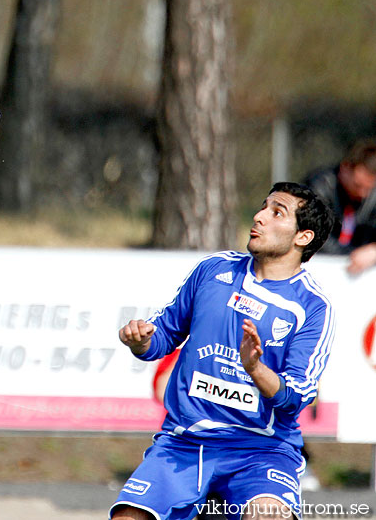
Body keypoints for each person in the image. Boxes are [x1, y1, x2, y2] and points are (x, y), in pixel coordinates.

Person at [112, 182, 335, 520]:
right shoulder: (214, 269)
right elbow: (163, 336)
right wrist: (141, 341)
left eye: (277, 213)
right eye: (263, 206)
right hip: (184, 442)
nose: (259, 216)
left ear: (302, 237)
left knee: (268, 516)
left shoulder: (313, 306)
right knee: (130, 517)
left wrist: (255, 368)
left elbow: (297, 397)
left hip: (261, 450)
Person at [304, 139, 376, 275]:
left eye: (369, 188)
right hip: (320, 266)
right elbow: (314, 235)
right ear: (345, 168)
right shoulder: (320, 186)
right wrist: (351, 255)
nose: (363, 194)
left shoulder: (372, 196)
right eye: (358, 185)